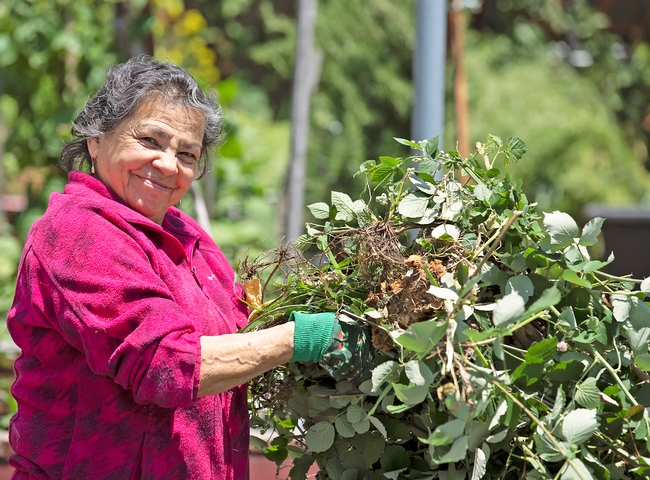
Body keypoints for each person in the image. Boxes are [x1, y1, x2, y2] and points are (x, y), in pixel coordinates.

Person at [5, 57, 365, 480]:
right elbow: (167, 366)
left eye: (187, 154)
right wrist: (304, 337)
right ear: (96, 139)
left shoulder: (185, 235)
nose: (168, 165)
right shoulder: (79, 232)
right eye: (150, 140)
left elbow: (240, 339)